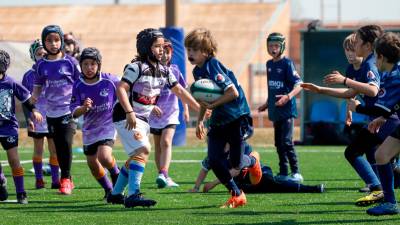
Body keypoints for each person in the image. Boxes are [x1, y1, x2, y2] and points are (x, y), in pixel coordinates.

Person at [301, 25, 396, 206]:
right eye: (348, 49)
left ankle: (379, 190)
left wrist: (344, 81)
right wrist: (320, 90)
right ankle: (381, 191)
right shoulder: (360, 66)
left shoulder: (369, 64)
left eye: (357, 43)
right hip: (380, 117)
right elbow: (350, 93)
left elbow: (372, 90)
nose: (352, 50)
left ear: (367, 45)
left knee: (362, 153)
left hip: (386, 117)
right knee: (375, 155)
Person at [107, 28, 199, 208]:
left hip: (142, 117)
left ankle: (116, 194)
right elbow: (121, 89)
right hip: (125, 116)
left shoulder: (164, 70)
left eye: (163, 46)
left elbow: (179, 90)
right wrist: (129, 112)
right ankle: (133, 194)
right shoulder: (136, 67)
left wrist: (199, 108)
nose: (161, 50)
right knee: (143, 149)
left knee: (137, 155)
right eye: (157, 46)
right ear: (145, 48)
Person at [185, 28, 261, 209]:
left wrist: (214, 104)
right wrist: (200, 121)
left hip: (237, 117)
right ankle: (237, 194)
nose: (190, 53)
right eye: (188, 49)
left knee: (236, 162)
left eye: (194, 50)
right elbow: (206, 100)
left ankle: (252, 160)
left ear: (205, 51)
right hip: (219, 120)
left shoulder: (213, 66)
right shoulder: (197, 72)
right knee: (214, 159)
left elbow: (232, 92)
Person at [346, 32, 400, 216]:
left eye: (376, 55)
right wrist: (383, 118)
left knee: (383, 156)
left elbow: (380, 108)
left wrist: (358, 108)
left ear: (382, 57)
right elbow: (393, 106)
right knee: (382, 155)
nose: (374, 60)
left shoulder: (394, 77)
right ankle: (391, 203)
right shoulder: (394, 71)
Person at [33, 25, 81, 195]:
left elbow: (80, 83)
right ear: (44, 42)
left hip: (69, 111)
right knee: (58, 147)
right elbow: (38, 86)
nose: (53, 44)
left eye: (56, 40)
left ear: (61, 41)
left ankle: (65, 179)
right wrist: (33, 100)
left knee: (66, 144)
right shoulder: (41, 65)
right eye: (49, 40)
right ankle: (67, 178)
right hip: (50, 112)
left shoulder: (71, 62)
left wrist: (82, 103)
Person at [70, 47, 120, 199]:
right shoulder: (78, 85)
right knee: (92, 163)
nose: (89, 68)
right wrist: (83, 108)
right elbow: (74, 111)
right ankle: (108, 190)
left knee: (104, 156)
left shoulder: (110, 81)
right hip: (90, 129)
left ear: (99, 65)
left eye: (93, 64)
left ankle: (117, 177)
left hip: (108, 125)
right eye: (85, 64)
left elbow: (126, 90)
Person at [188, 142, 324, 194]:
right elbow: (205, 168)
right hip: (244, 185)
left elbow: (237, 170)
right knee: (245, 190)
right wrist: (196, 187)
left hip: (260, 174)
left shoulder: (241, 146)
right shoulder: (215, 152)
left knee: (272, 184)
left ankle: (312, 188)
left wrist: (213, 183)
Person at [257, 32, 304, 183]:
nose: (273, 48)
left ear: (282, 46)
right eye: (270, 46)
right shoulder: (269, 64)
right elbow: (273, 88)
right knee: (278, 143)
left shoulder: (287, 64)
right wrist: (266, 103)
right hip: (275, 110)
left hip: (287, 111)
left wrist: (287, 97)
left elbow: (299, 85)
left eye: (276, 46)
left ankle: (296, 172)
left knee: (287, 142)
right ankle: (283, 172)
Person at [0, 49, 43, 204]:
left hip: (8, 127)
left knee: (13, 160)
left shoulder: (10, 83)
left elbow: (26, 99)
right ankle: (1, 182)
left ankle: (21, 192)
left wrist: (34, 110)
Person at [149, 39, 189, 188]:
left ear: (171, 54)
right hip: (155, 114)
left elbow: (182, 92)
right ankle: (162, 175)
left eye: (167, 52)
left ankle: (164, 173)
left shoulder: (175, 70)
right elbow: (145, 92)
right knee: (158, 146)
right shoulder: (150, 71)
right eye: (161, 51)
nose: (164, 55)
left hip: (171, 113)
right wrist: (151, 106)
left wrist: (185, 109)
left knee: (166, 142)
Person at [21, 39, 60, 190]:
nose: (42, 55)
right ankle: (39, 180)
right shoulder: (28, 76)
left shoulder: (54, 72)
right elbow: (25, 100)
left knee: (54, 149)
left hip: (52, 116)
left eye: (45, 53)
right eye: (39, 53)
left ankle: (56, 180)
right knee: (38, 149)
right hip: (36, 118)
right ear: (33, 55)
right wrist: (28, 118)